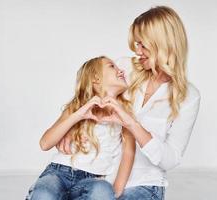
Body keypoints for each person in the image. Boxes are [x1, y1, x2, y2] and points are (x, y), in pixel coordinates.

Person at [57, 6, 201, 200]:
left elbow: (170, 159)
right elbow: (88, 94)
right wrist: (68, 128)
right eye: (136, 44)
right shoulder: (125, 68)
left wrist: (133, 125)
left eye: (142, 45)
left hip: (144, 185)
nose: (137, 51)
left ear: (162, 44)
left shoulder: (188, 96)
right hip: (98, 178)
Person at [25, 56, 136, 200]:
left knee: (103, 192)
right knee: (44, 194)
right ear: (96, 78)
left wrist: (117, 190)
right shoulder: (77, 107)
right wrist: (78, 116)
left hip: (93, 179)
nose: (120, 70)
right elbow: (45, 143)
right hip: (59, 172)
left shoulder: (125, 112)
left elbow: (129, 152)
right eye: (112, 66)